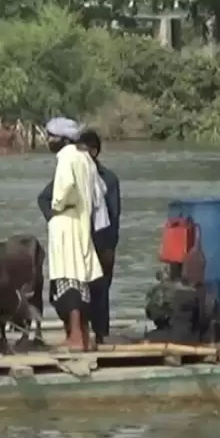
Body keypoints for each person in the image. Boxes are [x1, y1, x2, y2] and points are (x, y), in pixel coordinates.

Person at [43, 117, 105, 350]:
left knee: (68, 280)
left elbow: (66, 187)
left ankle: (76, 337)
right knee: (83, 279)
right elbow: (99, 191)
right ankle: (84, 336)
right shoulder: (85, 158)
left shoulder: (66, 157)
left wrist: (57, 204)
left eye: (51, 136)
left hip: (67, 224)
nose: (48, 141)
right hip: (82, 222)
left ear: (62, 139)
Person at [76, 129, 120, 344]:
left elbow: (114, 214)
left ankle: (100, 335)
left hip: (101, 242)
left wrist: (109, 246)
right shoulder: (73, 174)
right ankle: (80, 331)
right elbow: (46, 198)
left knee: (101, 290)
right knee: (79, 289)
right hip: (79, 241)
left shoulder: (108, 179)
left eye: (83, 149)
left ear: (93, 151)